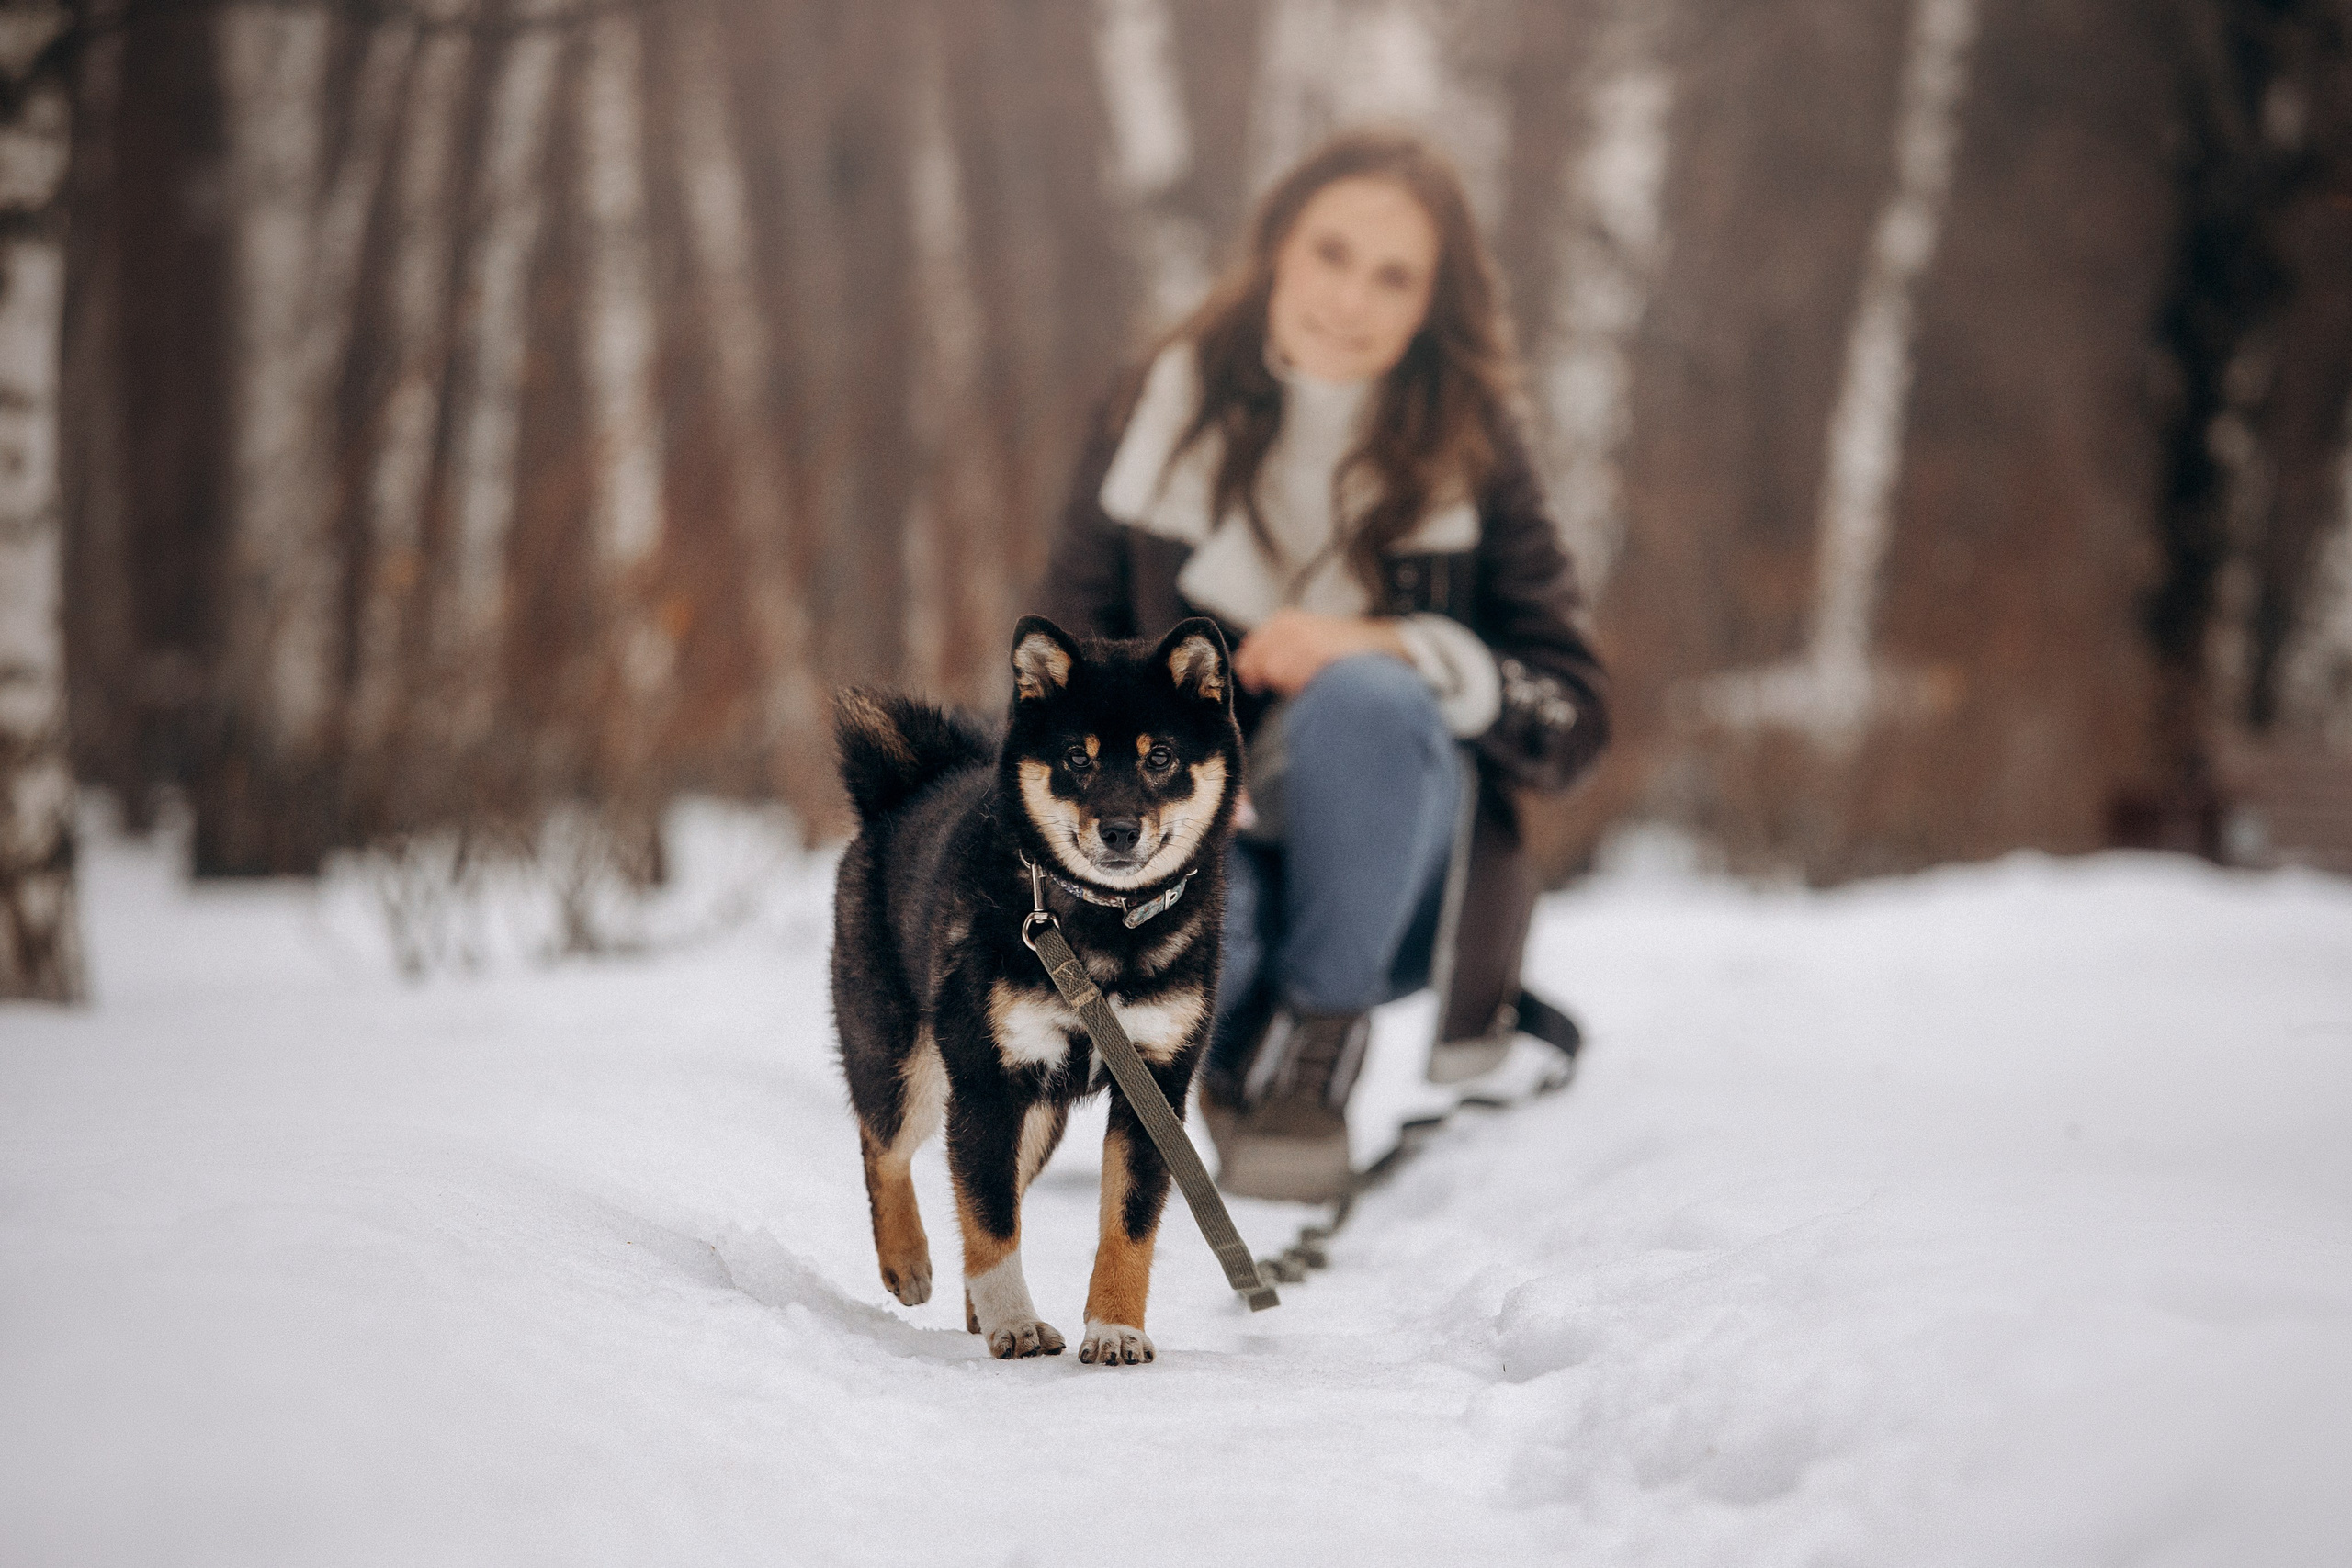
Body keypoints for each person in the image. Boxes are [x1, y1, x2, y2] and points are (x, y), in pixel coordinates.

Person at [1041, 129, 1609, 1202]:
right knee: (1209, 943)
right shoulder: (1149, 408)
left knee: (1366, 697)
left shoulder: (1476, 448)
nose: (1348, 299)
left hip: (1399, 887)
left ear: (1432, 306)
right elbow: (1055, 678)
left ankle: (1316, 1061)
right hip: (1199, 844)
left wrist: (1385, 642)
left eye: (1393, 277)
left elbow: (1571, 716)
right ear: (1274, 251)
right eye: (1330, 254)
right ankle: (1232, 1041)